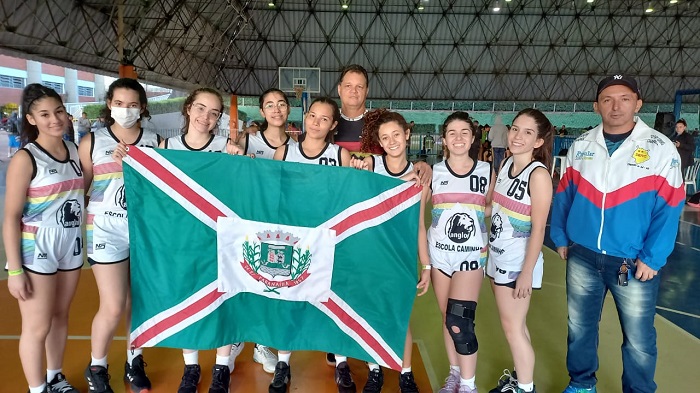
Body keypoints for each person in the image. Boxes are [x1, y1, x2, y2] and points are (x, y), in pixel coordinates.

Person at [550, 75, 685, 393]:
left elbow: (670, 207)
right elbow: (564, 195)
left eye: (624, 98)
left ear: (638, 103)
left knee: (638, 338)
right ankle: (582, 383)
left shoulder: (660, 149)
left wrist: (652, 257)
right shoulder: (582, 146)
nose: (616, 105)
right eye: (608, 99)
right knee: (580, 328)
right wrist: (559, 236)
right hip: (582, 255)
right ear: (596, 106)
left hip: (633, 260)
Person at [79, 78, 161, 393]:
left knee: (138, 303)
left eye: (132, 104)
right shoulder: (92, 141)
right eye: (119, 103)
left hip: (143, 231)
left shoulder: (154, 141)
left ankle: (134, 359)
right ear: (109, 104)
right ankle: (97, 366)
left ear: (142, 107)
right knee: (113, 304)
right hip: (105, 231)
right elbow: (82, 188)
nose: (125, 110)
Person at [159, 87, 240, 393]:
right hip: (182, 239)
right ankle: (191, 367)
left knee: (220, 299)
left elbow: (239, 191)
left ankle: (221, 367)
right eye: (201, 108)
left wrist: (239, 161)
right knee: (186, 300)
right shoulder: (168, 146)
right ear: (189, 108)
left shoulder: (226, 147)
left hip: (218, 239)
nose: (207, 117)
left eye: (215, 112)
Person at [3, 84, 83, 393]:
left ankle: (55, 377)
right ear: (31, 118)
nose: (55, 119)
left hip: (71, 244)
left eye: (59, 111)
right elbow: (10, 217)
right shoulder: (26, 158)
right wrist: (14, 270)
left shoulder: (75, 151)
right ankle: (37, 389)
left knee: (60, 316)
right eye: (45, 114)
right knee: (37, 326)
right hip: (38, 246)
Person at [271, 97, 352, 393]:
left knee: (331, 302)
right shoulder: (285, 151)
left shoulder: (340, 155)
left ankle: (341, 363)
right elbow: (270, 195)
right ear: (305, 118)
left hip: (328, 242)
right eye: (312, 116)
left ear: (332, 125)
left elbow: (349, 198)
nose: (316, 122)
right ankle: (283, 364)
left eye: (323, 118)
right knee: (287, 303)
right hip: (291, 241)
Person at [349, 109, 431, 393]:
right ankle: (375, 372)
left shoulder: (419, 179)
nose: (392, 141)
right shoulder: (370, 166)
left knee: (400, 317)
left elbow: (420, 226)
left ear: (407, 134)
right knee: (370, 315)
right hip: (371, 255)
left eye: (396, 134)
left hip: (401, 257)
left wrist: (427, 266)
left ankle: (405, 374)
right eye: (385, 138)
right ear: (379, 143)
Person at [486, 109, 554, 393]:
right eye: (515, 129)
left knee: (512, 329)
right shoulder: (506, 164)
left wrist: (526, 273)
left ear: (538, 141)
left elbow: (538, 229)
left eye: (527, 132)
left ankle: (525, 389)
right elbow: (496, 208)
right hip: (497, 255)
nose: (517, 136)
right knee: (517, 326)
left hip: (516, 264)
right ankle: (521, 378)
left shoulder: (538, 175)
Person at [430, 112, 491, 393]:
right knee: (446, 317)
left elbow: (494, 206)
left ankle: (468, 385)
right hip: (440, 255)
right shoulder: (433, 172)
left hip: (470, 257)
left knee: (460, 319)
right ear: (444, 140)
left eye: (464, 132)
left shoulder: (487, 171)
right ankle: (455, 374)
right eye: (452, 132)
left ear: (473, 137)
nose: (458, 137)